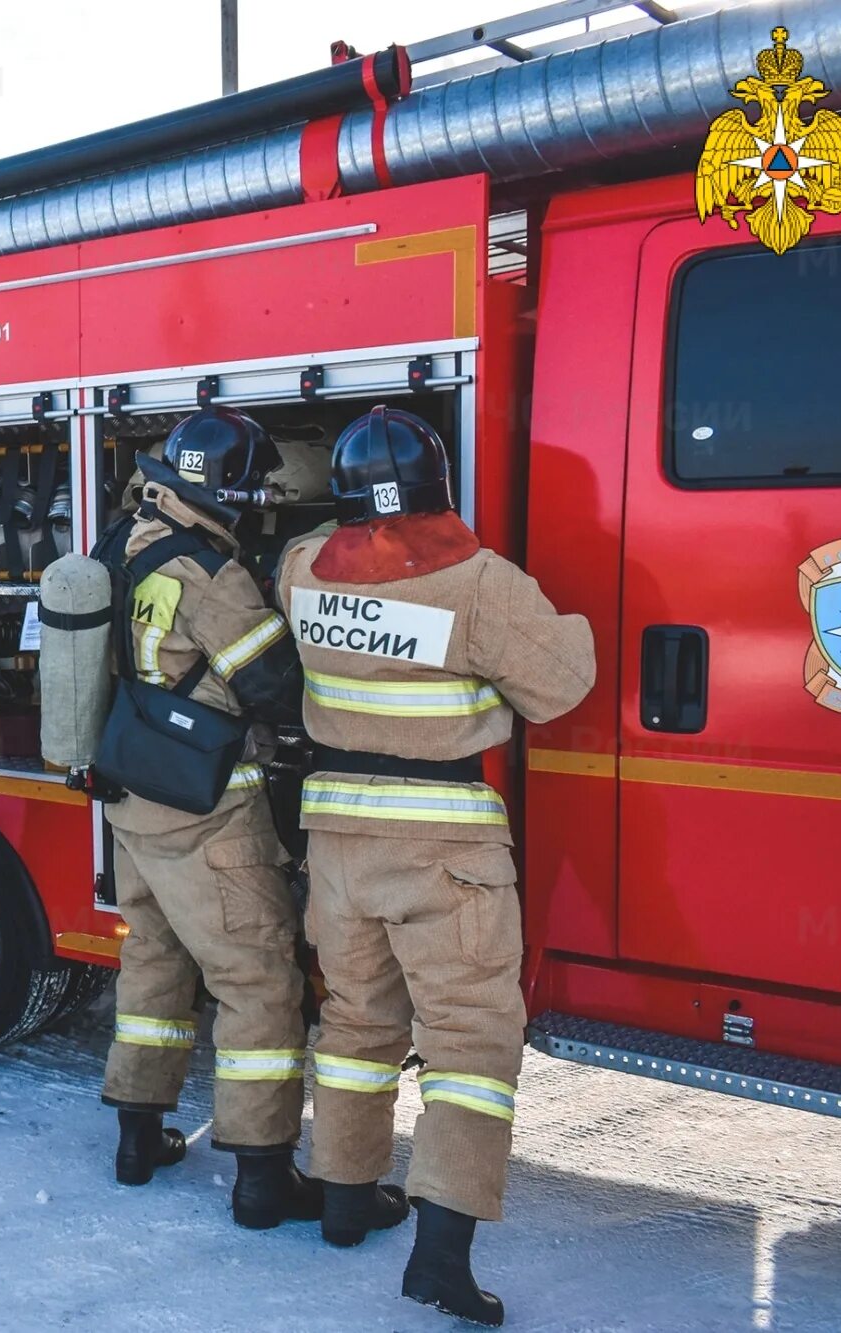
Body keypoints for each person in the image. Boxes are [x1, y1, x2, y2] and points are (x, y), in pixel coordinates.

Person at [276, 406, 594, 1327]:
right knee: (469, 1046)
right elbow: (563, 682)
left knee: (356, 1018)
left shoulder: (301, 570)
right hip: (445, 844)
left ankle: (343, 1200)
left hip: (336, 841)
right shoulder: (480, 583)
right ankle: (442, 1258)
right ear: (437, 489)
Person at [90, 408, 318, 1232]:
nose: (256, 504)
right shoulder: (209, 571)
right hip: (208, 810)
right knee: (257, 981)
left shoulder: (116, 545)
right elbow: (274, 685)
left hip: (131, 802)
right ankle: (262, 1179)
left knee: (153, 967)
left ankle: (136, 1138)